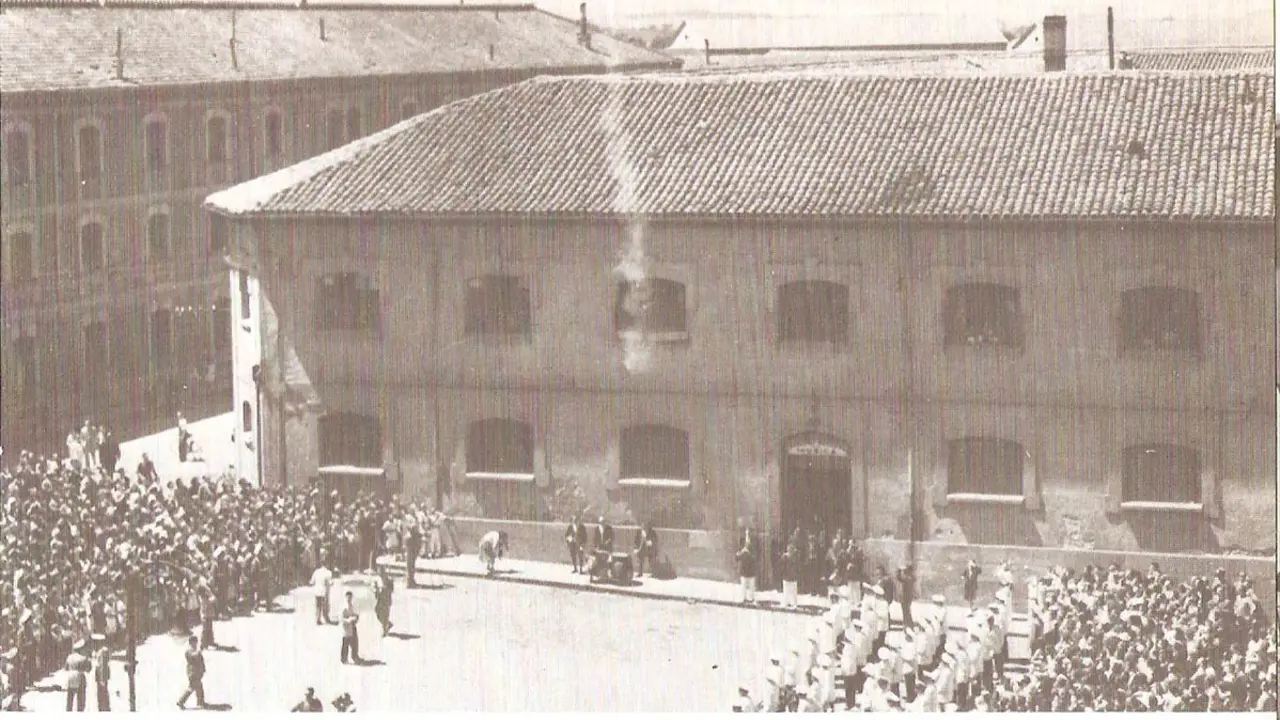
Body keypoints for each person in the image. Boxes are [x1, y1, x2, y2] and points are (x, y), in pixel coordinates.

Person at [177, 635, 206, 710]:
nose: (196, 644)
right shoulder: (189, 650)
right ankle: (181, 701)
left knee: (199, 687)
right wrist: (199, 652)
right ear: (191, 642)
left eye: (196, 642)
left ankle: (201, 702)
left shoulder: (194, 649)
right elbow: (194, 656)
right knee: (192, 687)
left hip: (196, 672)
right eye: (195, 642)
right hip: (192, 672)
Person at [64, 638, 90, 712]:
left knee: (70, 699)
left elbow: (66, 668)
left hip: (70, 677)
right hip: (80, 677)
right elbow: (88, 670)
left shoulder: (69, 657)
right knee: (81, 700)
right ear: (81, 649)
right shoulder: (83, 658)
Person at [310, 556, 334, 625]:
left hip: (317, 591)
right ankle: (326, 618)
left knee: (318, 605)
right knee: (325, 605)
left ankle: (318, 619)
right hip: (324, 591)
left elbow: (311, 582)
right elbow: (330, 582)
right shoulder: (328, 572)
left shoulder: (316, 571)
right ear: (327, 564)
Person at [339, 591, 361, 664]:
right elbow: (341, 618)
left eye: (350, 597)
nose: (349, 599)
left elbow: (354, 613)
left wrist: (356, 617)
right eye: (348, 597)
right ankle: (344, 659)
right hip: (346, 627)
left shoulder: (351, 605)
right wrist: (348, 620)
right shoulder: (344, 606)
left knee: (354, 643)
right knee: (345, 643)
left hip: (352, 626)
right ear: (346, 597)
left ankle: (355, 657)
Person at [736, 533, 758, 605]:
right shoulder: (743, 552)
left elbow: (754, 560)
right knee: (743, 587)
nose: (748, 545)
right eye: (747, 543)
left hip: (751, 573)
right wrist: (739, 553)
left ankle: (751, 599)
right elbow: (737, 558)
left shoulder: (752, 552)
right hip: (744, 572)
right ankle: (744, 598)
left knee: (751, 587)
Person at [373, 567, 394, 637]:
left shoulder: (389, 580)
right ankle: (388, 624)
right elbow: (374, 588)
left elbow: (391, 590)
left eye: (382, 572)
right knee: (377, 612)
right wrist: (375, 590)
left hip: (386, 599)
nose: (380, 573)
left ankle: (384, 630)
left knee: (385, 614)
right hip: (379, 599)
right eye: (379, 572)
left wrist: (385, 589)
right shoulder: (377, 580)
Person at [91, 634, 110, 711]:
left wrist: (102, 678)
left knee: (102, 691)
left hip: (102, 674)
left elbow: (102, 665)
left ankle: (103, 707)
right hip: (99, 673)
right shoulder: (99, 650)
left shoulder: (103, 651)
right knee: (101, 691)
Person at [779, 545, 799, 610]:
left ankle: (790, 603)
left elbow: (782, 566)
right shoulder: (794, 556)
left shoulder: (786, 556)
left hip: (790, 576)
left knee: (789, 591)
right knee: (791, 591)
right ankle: (792, 603)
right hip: (791, 576)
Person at [403, 519, 421, 589]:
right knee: (410, 568)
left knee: (411, 568)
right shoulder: (409, 537)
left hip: (412, 554)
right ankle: (409, 583)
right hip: (410, 554)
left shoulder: (412, 536)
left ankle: (411, 581)